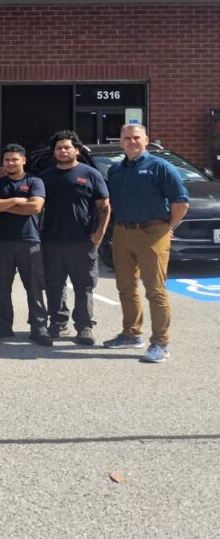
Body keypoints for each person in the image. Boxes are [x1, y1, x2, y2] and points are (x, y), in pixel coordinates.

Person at [104, 124, 189, 363]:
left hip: (153, 232)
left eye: (136, 137)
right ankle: (131, 333)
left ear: (146, 140)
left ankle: (160, 343)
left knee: (155, 289)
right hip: (122, 232)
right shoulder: (116, 169)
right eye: (127, 138)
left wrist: (166, 227)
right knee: (125, 286)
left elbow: (181, 202)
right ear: (120, 142)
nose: (132, 142)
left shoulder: (160, 166)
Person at [40, 130, 111, 344]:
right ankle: (58, 323)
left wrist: (98, 235)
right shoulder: (46, 177)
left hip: (82, 241)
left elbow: (104, 207)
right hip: (52, 240)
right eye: (59, 148)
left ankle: (84, 327)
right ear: (54, 152)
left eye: (67, 147)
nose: (63, 151)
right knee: (54, 285)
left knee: (84, 286)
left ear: (77, 150)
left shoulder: (90, 174)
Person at [0, 144, 52, 346]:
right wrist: (17, 200)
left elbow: (35, 207)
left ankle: (39, 328)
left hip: (29, 242)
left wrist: (5, 206)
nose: (10, 163)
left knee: (34, 288)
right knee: (1, 287)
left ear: (23, 160)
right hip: (2, 242)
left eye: (14, 159)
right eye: (7, 159)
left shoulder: (35, 181)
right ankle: (2, 326)